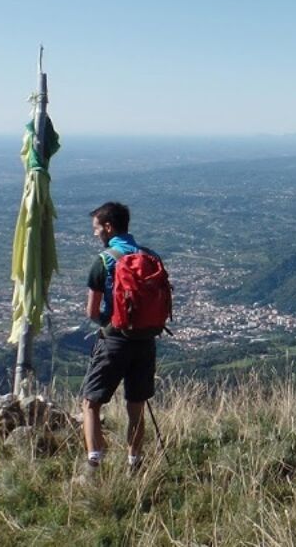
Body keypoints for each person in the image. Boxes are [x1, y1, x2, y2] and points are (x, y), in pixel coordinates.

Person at [80, 201, 162, 473]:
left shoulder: (104, 261)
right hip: (146, 341)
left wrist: (110, 323)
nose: (95, 234)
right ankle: (134, 465)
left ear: (108, 227)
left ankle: (94, 465)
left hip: (115, 341)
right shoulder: (150, 256)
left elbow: (92, 311)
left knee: (91, 403)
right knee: (135, 406)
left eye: (96, 229)